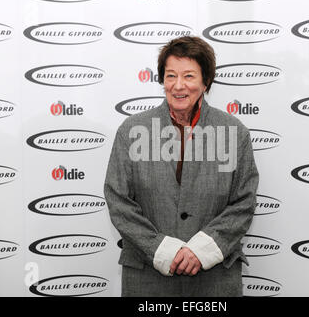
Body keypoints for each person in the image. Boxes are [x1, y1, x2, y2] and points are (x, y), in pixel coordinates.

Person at [104, 36, 259, 297]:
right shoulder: (131, 131)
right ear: (162, 80)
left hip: (215, 281)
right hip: (147, 279)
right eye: (170, 75)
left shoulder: (234, 132)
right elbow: (118, 200)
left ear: (206, 81)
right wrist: (163, 250)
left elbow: (244, 202)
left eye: (189, 76)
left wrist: (201, 251)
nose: (178, 86)